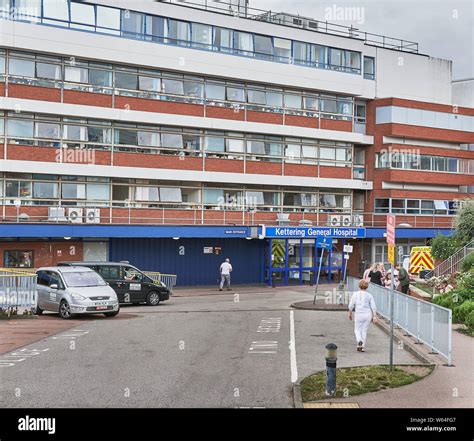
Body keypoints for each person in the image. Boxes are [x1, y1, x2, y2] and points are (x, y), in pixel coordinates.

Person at [348, 279, 377, 352]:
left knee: (357, 329)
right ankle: (362, 346)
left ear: (359, 286)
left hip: (359, 314)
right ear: (367, 287)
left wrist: (350, 313)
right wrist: (374, 316)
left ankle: (359, 340)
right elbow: (373, 306)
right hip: (367, 314)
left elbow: (351, 305)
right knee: (364, 330)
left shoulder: (355, 294)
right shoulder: (369, 295)